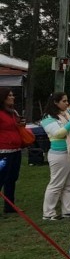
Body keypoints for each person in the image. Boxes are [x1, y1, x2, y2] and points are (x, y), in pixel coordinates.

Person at [41, 92, 70, 221]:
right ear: (55, 102)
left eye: (67, 101)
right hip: (59, 154)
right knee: (56, 184)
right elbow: (59, 133)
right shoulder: (48, 118)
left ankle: (68, 210)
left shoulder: (66, 114)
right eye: (64, 101)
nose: (67, 103)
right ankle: (48, 213)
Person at [0, 88, 25, 217]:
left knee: (12, 177)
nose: (13, 97)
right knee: (1, 177)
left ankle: (10, 206)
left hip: (16, 149)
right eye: (9, 96)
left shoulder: (13, 112)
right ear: (3, 98)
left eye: (12, 95)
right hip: (3, 150)